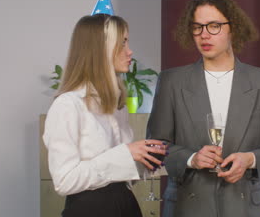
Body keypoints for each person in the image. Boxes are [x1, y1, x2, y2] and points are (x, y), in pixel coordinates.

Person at [147, 0, 260, 216]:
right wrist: (191, 158)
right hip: (188, 207)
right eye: (198, 27)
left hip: (245, 207)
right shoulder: (171, 82)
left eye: (214, 26)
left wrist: (250, 159)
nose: (205, 35)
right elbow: (156, 147)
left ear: (232, 28)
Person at [43, 14, 167, 217]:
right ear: (100, 50)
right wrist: (125, 153)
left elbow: (116, 173)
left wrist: (145, 159)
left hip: (126, 205)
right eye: (123, 42)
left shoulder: (117, 105)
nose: (130, 51)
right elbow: (64, 181)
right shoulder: (68, 105)